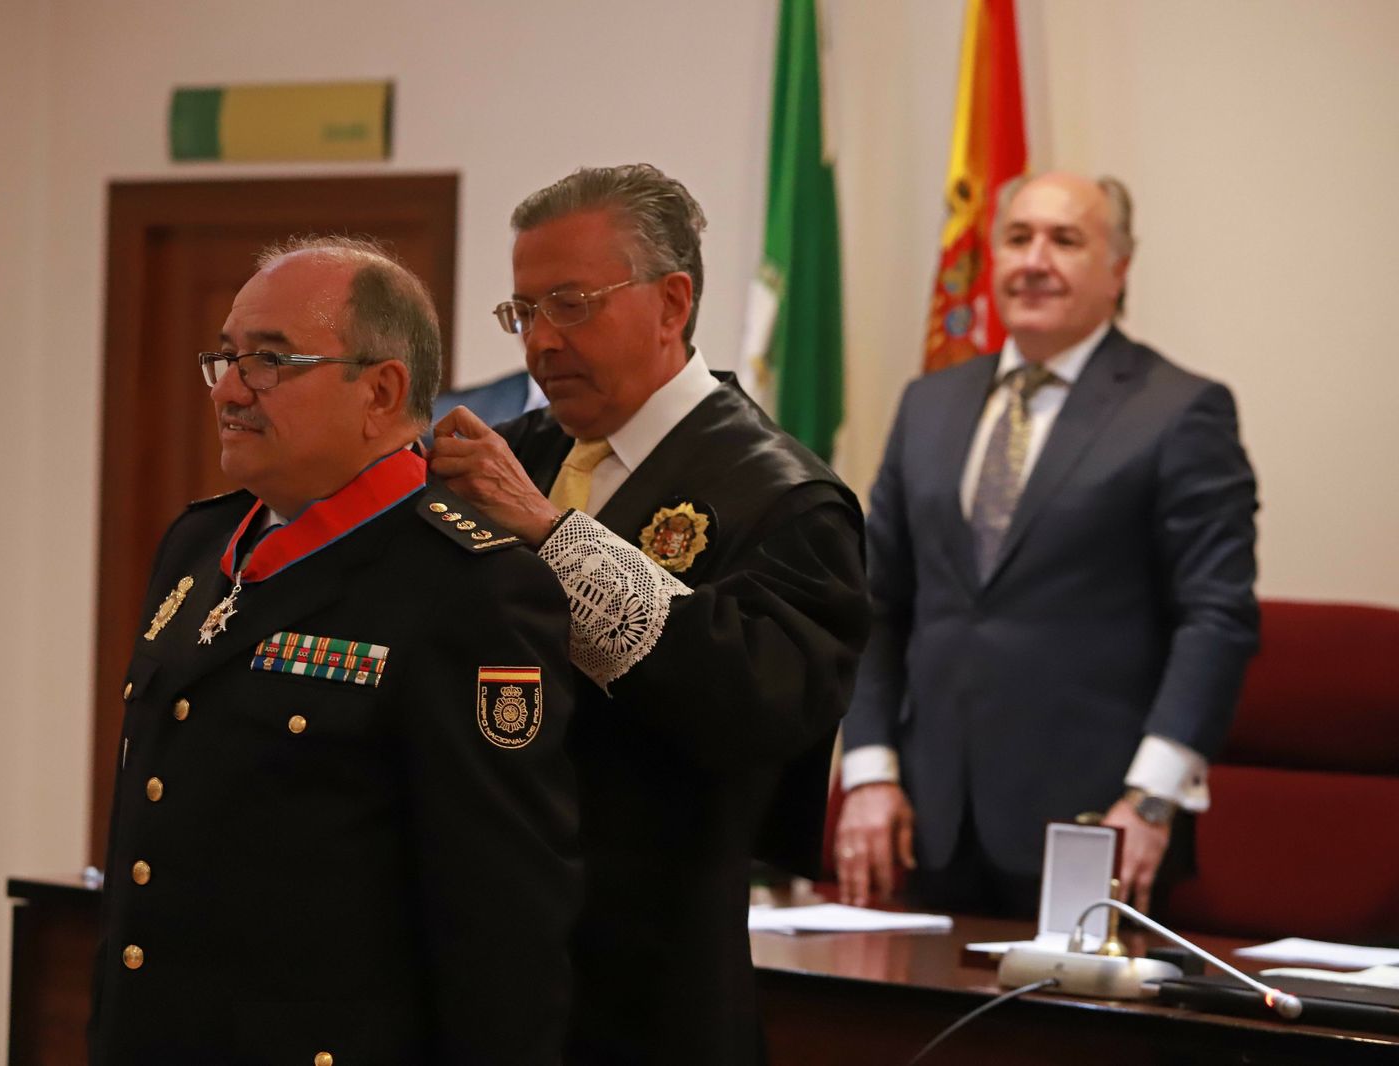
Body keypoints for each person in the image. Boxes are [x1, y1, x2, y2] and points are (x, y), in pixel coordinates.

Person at [89, 236, 580, 1066]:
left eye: (272, 361)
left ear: (380, 391)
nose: (233, 390)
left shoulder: (469, 589)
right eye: (228, 358)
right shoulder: (198, 544)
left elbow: (503, 928)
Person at [429, 164, 870, 1066]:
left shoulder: (784, 497)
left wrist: (555, 537)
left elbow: (761, 707)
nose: (541, 343)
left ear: (673, 304)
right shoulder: (512, 454)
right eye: (523, 312)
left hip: (648, 988)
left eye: (571, 304)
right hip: (484, 966)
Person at [834, 171, 1259, 919]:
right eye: (1017, 237)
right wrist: (869, 772)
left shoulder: (1180, 410)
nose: (1035, 260)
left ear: (1119, 268)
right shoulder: (928, 403)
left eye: (1066, 240)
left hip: (1099, 830)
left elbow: (1216, 618)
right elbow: (874, 601)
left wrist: (1152, 800)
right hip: (925, 829)